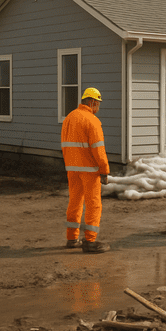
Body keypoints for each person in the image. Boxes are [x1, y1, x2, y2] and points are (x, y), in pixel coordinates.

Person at [61, 87, 111, 253]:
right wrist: (104, 171)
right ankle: (90, 241)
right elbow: (99, 150)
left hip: (72, 168)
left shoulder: (69, 118)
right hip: (89, 169)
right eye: (97, 104)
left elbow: (65, 144)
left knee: (74, 202)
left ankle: (72, 238)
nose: (98, 108)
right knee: (93, 204)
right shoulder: (92, 121)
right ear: (92, 102)